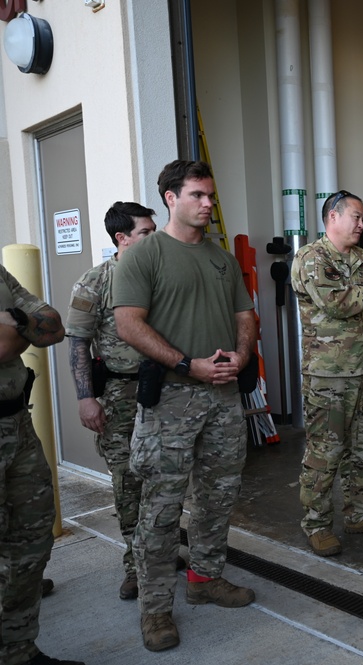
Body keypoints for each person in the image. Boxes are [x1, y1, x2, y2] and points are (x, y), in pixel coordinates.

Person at [114, 161, 257, 652]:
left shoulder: (220, 260)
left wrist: (241, 354)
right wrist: (185, 365)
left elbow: (246, 314)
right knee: (160, 510)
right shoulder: (143, 255)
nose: (208, 204)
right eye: (198, 195)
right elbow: (128, 325)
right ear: (171, 198)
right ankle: (155, 609)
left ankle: (204, 580)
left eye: (211, 196)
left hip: (222, 399)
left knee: (217, 500)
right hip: (170, 402)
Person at [291, 190, 363, 556]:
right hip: (328, 375)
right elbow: (339, 304)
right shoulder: (311, 258)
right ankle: (316, 524)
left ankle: (359, 515)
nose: (361, 224)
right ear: (333, 217)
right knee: (325, 453)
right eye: (355, 217)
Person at [65, 202, 157, 601]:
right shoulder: (96, 282)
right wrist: (86, 399)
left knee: (165, 477)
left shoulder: (162, 275)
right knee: (128, 482)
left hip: (165, 390)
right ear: (122, 239)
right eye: (147, 233)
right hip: (119, 395)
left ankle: (159, 552)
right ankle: (135, 567)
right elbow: (78, 343)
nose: (155, 238)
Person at [1, 264, 83, 665]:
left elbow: (52, 324)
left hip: (16, 425)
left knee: (31, 539)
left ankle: (18, 650)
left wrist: (14, 321)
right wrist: (23, 326)